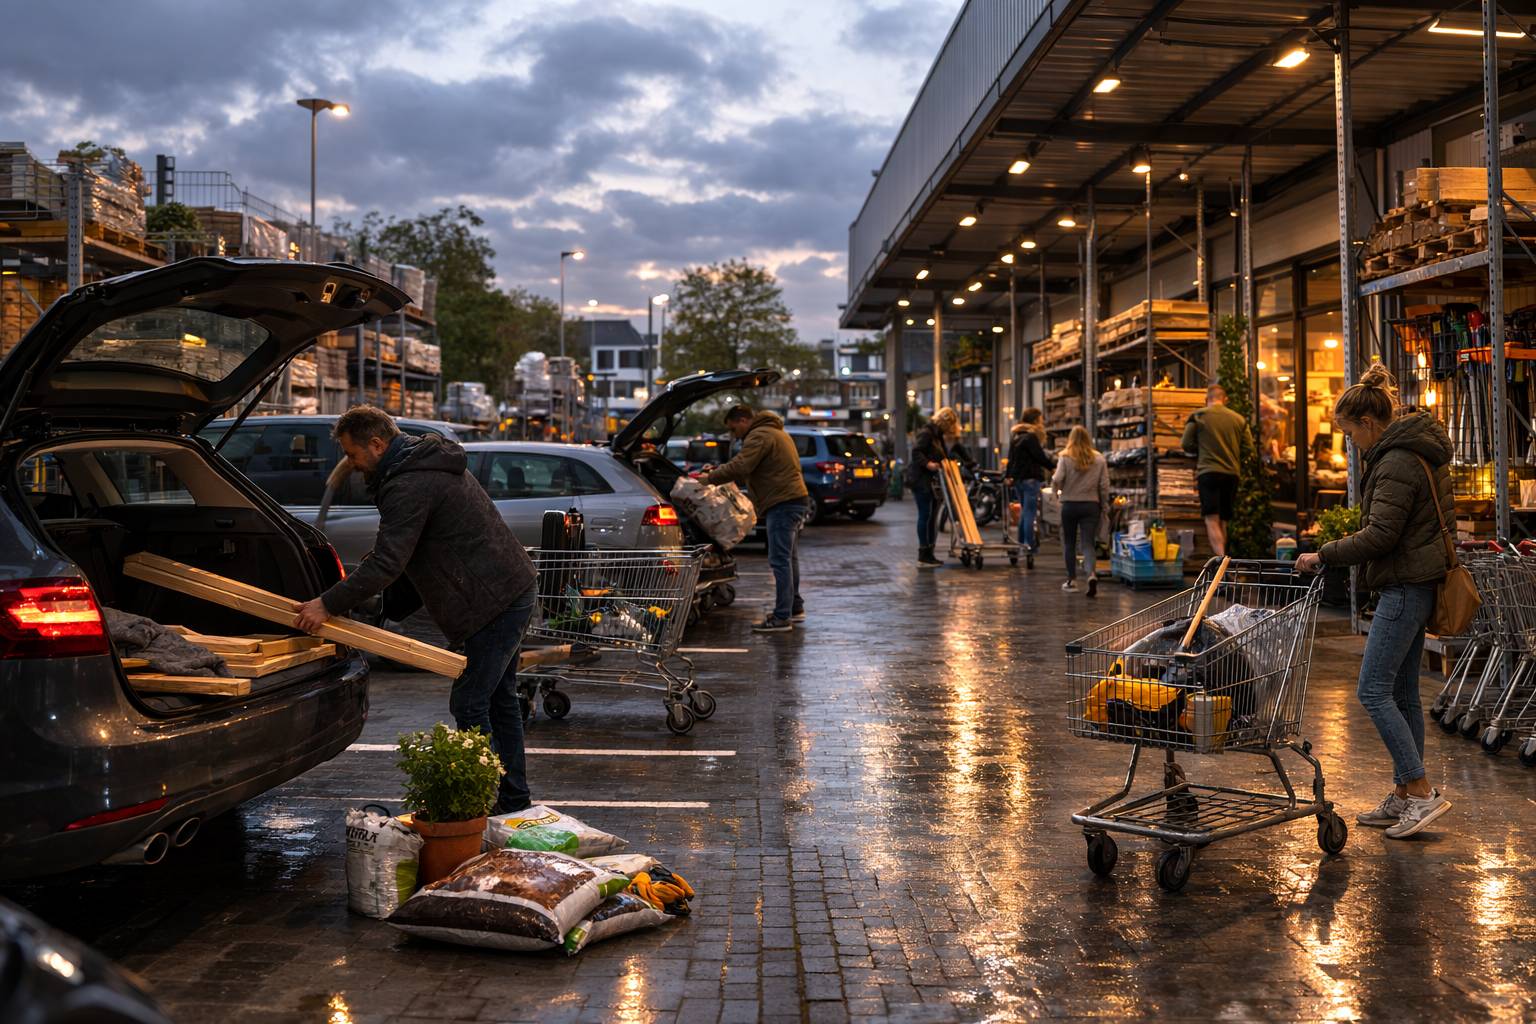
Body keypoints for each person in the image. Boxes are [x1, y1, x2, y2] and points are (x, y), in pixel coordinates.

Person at [294, 406, 538, 815]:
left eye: (353, 454)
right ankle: (513, 800)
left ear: (376, 444)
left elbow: (389, 562)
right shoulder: (422, 464)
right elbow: (397, 551)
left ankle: (484, 800)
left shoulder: (407, 483)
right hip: (508, 587)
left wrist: (327, 604)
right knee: (498, 700)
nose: (351, 466)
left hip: (493, 599)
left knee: (471, 702)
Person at [1296, 365, 1454, 839]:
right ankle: (1406, 793)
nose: (1349, 443)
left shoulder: (1395, 460)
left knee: (1372, 690)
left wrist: (1323, 552)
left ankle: (1421, 792)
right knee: (1402, 692)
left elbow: (1382, 534)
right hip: (1415, 582)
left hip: (1406, 586)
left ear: (1367, 423)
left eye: (1348, 432)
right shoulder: (1408, 451)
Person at [704, 404, 810, 633]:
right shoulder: (776, 432)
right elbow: (753, 467)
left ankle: (782, 617)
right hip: (793, 499)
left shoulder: (760, 434)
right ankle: (794, 608)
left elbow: (742, 466)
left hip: (781, 502)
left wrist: (709, 478)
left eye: (733, 429)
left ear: (743, 420)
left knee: (780, 560)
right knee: (789, 559)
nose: (734, 435)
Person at [1181, 383, 1251, 557]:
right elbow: (1249, 448)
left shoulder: (1199, 416)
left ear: (1207, 399)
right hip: (1231, 474)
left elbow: (1186, 444)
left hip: (1208, 472)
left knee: (1211, 519)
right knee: (1224, 520)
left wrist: (1199, 450)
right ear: (1225, 399)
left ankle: (1221, 561)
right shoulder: (1239, 419)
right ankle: (1224, 559)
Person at [1051, 425, 1108, 596]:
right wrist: (1104, 505)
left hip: (1069, 504)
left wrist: (1056, 496)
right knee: (1088, 543)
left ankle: (1072, 580)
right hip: (1091, 505)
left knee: (1069, 543)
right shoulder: (1099, 459)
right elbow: (1104, 486)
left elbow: (1057, 479)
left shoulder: (1065, 457)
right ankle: (1091, 574)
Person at [906, 407, 959, 568]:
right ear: (945, 422)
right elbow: (916, 452)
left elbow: (944, 455)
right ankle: (923, 555)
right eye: (950, 426)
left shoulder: (937, 436)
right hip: (921, 480)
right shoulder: (927, 433)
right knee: (925, 515)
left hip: (932, 481)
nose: (951, 429)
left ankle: (930, 554)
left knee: (931, 517)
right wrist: (928, 464)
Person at [1004, 408, 1056, 568]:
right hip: (1031, 479)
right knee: (1029, 513)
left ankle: (1019, 545)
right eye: (1040, 419)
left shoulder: (1016, 436)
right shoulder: (1031, 437)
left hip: (1018, 480)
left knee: (1024, 513)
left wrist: (1008, 476)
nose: (1042, 422)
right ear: (1034, 420)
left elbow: (1010, 458)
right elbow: (1039, 457)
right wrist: (1053, 466)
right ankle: (1029, 548)